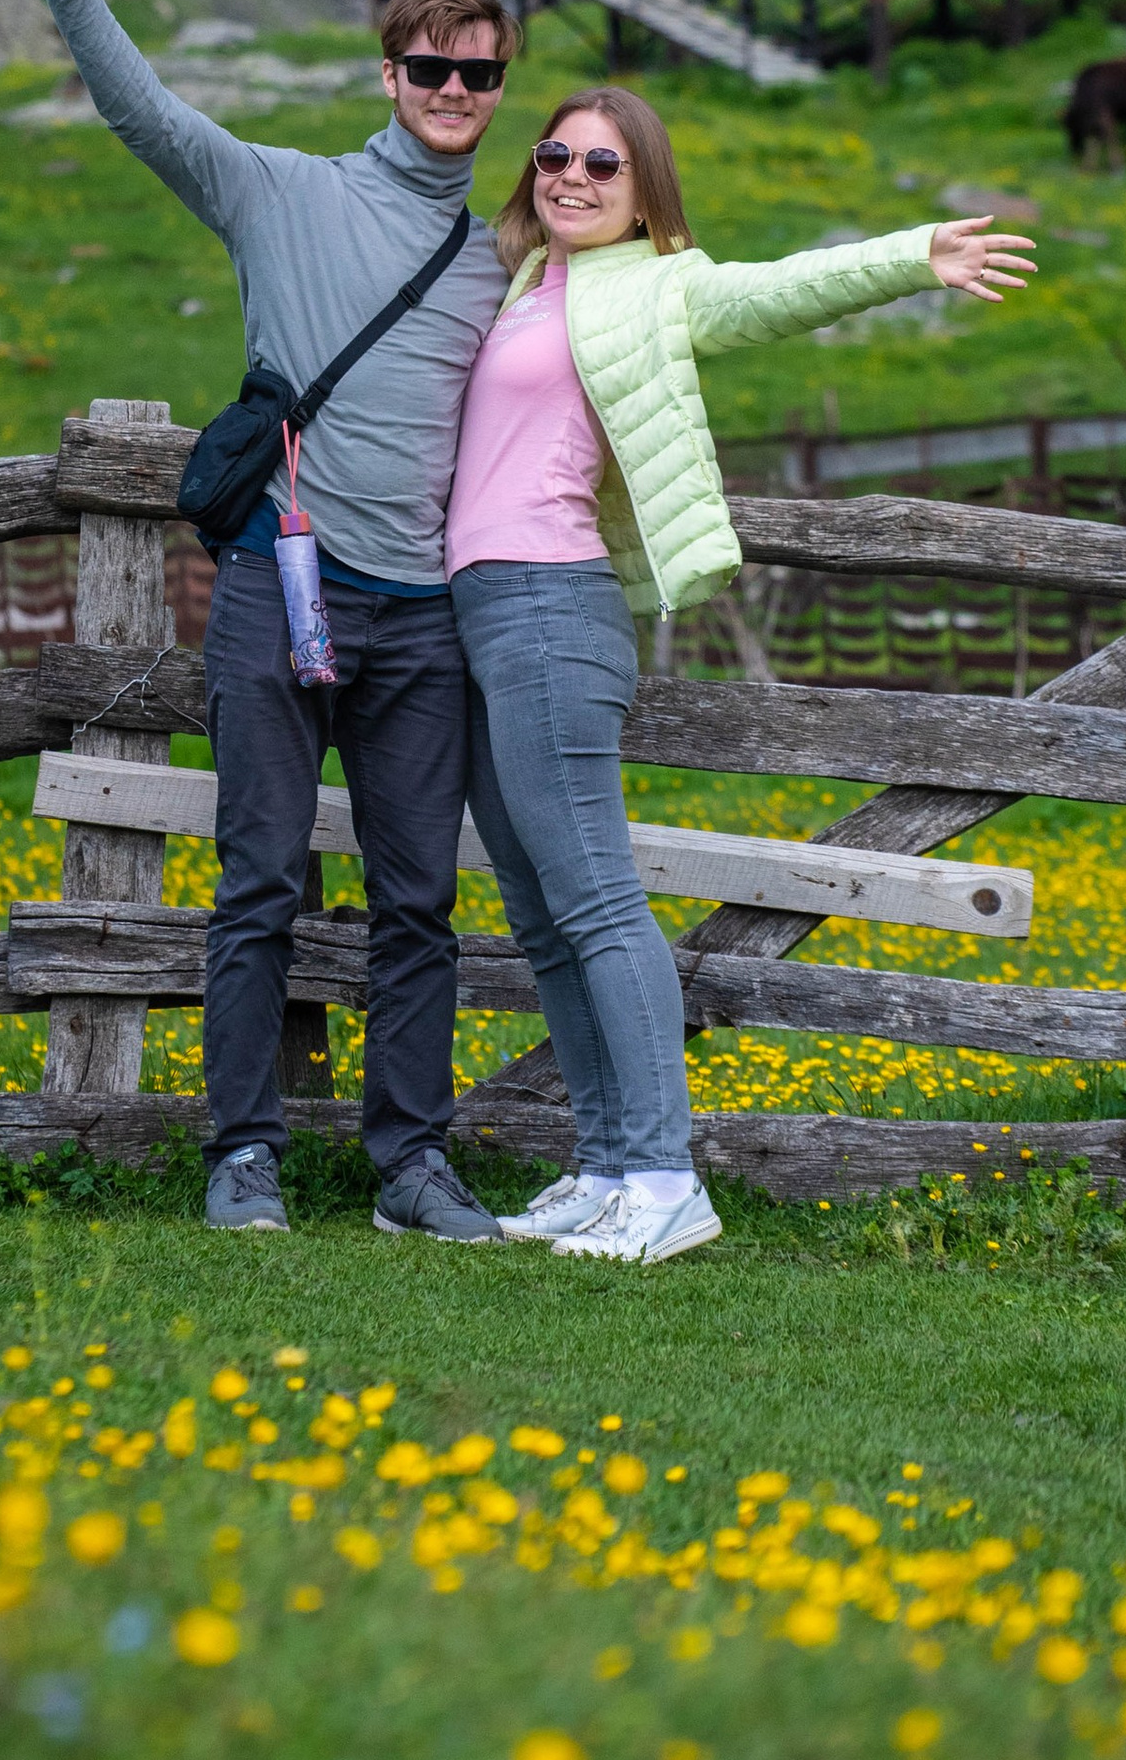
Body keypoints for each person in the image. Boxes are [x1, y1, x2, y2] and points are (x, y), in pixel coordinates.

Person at [3, 0, 520, 1243]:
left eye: (481, 73)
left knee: (420, 899)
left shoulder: (507, 252)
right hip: (274, 592)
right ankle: (246, 1156)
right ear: (390, 75)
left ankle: (412, 1166)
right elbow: (149, 115)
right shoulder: (284, 192)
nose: (457, 92)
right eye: (434, 68)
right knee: (261, 885)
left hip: (423, 618)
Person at [444, 83, 1038, 1266]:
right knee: (540, 911)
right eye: (555, 153)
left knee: (597, 899)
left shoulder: (659, 283)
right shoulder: (518, 281)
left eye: (603, 165)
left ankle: (666, 1181)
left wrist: (915, 253)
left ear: (644, 190)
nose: (571, 175)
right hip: (475, 609)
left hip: (552, 607)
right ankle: (605, 1162)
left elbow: (777, 290)